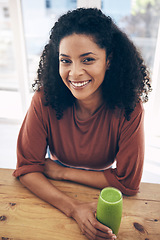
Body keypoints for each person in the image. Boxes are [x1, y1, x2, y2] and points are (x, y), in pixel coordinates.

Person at [13, 8, 151, 240]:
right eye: (65, 61)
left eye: (88, 59)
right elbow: (27, 168)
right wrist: (74, 208)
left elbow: (128, 183)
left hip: (76, 185)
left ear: (108, 60)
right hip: (57, 198)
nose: (75, 73)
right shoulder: (43, 100)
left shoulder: (129, 108)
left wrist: (62, 172)